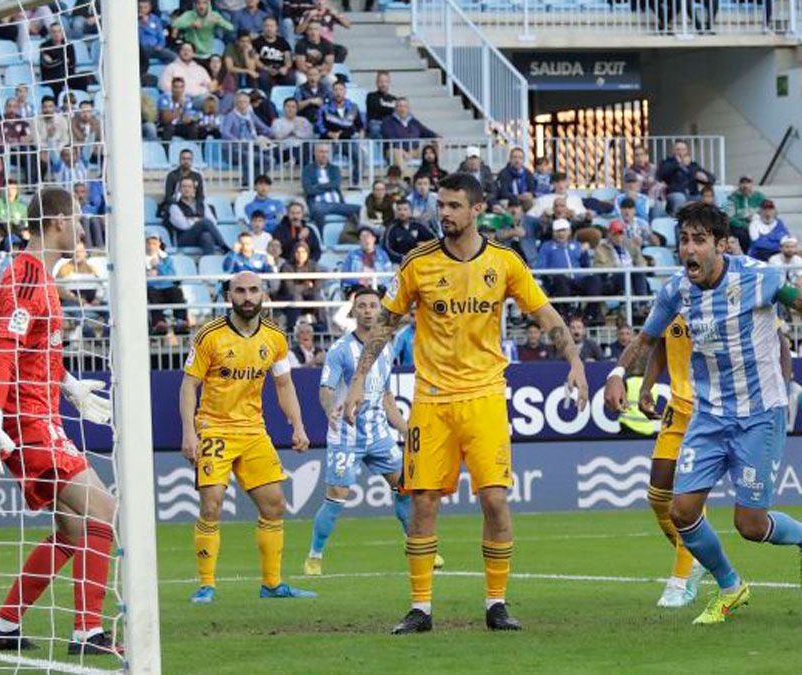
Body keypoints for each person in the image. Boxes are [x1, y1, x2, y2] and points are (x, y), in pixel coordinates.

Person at [343, 173, 587, 634]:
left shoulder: (504, 263)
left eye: (454, 205)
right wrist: (359, 380)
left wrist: (574, 358)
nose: (445, 213)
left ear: (477, 210)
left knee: (495, 500)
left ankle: (496, 603)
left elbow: (544, 312)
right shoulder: (418, 263)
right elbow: (386, 324)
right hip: (432, 400)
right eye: (442, 205)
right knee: (423, 502)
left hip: (485, 397)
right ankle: (420, 608)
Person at [605, 201, 802, 625]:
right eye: (683, 240)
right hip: (709, 416)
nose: (689, 249)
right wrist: (618, 372)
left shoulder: (759, 277)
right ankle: (731, 587)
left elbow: (796, 301)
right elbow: (646, 338)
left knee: (751, 524)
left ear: (721, 244)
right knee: (681, 510)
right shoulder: (676, 290)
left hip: (760, 415)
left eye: (699, 240)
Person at [0, 187, 119, 655]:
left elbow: (37, 352)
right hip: (30, 420)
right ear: (58, 221)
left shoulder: (38, 275)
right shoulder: (26, 276)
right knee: (104, 512)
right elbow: (5, 348)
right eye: (76, 219)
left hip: (39, 413)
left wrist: (70, 384)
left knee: (72, 529)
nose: (81, 229)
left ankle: (4, 627)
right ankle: (87, 632)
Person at [180, 271, 316, 604]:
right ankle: (207, 584)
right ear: (229, 296)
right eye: (240, 290)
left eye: (254, 290)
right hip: (214, 428)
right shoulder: (209, 336)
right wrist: (189, 432)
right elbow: (188, 385)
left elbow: (284, 384)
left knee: (275, 505)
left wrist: (297, 425)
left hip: (253, 431)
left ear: (263, 295)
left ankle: (272, 584)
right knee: (211, 506)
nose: (247, 296)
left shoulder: (275, 338)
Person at [305, 286, 436, 575]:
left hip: (379, 435)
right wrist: (330, 411)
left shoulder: (387, 348)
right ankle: (315, 555)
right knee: (336, 497)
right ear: (353, 312)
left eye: (372, 306)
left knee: (405, 487)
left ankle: (414, 542)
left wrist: (405, 428)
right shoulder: (340, 350)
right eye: (361, 306)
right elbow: (326, 389)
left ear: (380, 310)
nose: (367, 310)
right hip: (345, 436)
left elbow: (386, 396)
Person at [633, 312, 708, 608]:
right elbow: (660, 346)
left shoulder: (720, 295)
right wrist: (645, 387)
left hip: (711, 412)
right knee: (658, 495)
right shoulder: (671, 297)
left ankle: (681, 578)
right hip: (677, 410)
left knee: (687, 499)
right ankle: (695, 555)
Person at [535, 219, 603, 324]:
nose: (561, 233)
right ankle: (566, 313)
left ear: (569, 231)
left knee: (594, 280)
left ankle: (590, 314)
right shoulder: (547, 247)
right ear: (553, 233)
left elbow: (586, 265)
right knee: (560, 279)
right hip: (559, 281)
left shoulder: (577, 245)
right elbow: (540, 267)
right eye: (558, 231)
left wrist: (584, 254)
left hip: (578, 279)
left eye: (563, 230)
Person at [302, 143, 359, 229]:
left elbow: (336, 184)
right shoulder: (307, 170)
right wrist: (329, 187)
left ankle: (357, 237)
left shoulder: (334, 169)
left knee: (361, 210)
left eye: (326, 152)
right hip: (318, 204)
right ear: (315, 153)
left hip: (337, 204)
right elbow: (309, 190)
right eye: (321, 152)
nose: (324, 155)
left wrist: (317, 186)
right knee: (318, 211)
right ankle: (321, 240)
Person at [168, 177, 228, 255]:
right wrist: (200, 222)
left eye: (189, 187)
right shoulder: (174, 207)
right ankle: (224, 246)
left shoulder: (202, 204)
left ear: (194, 190)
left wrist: (193, 220)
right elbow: (183, 225)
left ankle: (208, 262)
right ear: (180, 190)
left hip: (200, 237)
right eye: (184, 186)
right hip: (184, 238)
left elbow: (213, 222)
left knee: (206, 236)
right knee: (204, 222)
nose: (187, 189)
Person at [593, 220, 650, 297]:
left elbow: (641, 261)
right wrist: (615, 266)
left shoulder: (630, 245)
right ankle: (631, 304)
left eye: (620, 234)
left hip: (630, 276)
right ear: (609, 234)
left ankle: (643, 304)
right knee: (622, 274)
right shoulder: (601, 248)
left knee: (639, 272)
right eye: (615, 234)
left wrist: (638, 259)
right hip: (610, 281)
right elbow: (597, 268)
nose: (618, 237)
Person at [146, 233, 189, 335]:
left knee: (176, 292)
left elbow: (171, 274)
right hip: (151, 287)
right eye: (149, 243)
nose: (152, 246)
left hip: (167, 286)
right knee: (151, 293)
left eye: (154, 243)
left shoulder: (166, 258)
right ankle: (158, 323)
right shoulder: (139, 259)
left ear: (159, 244)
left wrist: (159, 267)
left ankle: (181, 321)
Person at [278, 241, 325, 330]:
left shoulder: (314, 266)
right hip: (288, 297)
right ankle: (292, 328)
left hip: (309, 295)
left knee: (318, 297)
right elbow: (290, 289)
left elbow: (317, 286)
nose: (300, 255)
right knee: (296, 297)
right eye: (298, 252)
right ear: (294, 253)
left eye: (303, 252)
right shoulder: (286, 266)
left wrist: (300, 287)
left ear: (307, 253)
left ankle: (322, 327)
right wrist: (306, 285)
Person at [656, 141, 714, 215]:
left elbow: (712, 178)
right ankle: (679, 222)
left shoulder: (693, 165)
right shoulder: (667, 162)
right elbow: (661, 174)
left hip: (693, 194)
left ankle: (711, 222)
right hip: (674, 194)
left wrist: (706, 178)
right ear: (673, 151)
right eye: (678, 149)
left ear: (687, 151)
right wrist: (678, 164)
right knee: (680, 198)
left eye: (683, 149)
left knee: (708, 196)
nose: (681, 152)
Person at [339, 227, 391, 291]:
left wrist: (378, 281)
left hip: (378, 286)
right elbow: (344, 275)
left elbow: (389, 274)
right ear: (359, 241)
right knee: (354, 294)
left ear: (374, 239)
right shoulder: (352, 255)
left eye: (368, 236)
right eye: (363, 237)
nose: (366, 239)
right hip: (357, 287)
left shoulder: (383, 255)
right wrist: (359, 281)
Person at [364, 71, 398, 139]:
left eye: (386, 81)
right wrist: (390, 109)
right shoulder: (371, 96)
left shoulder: (394, 99)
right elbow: (376, 109)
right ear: (376, 83)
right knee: (376, 129)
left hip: (390, 124)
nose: (383, 84)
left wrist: (384, 107)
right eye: (381, 81)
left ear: (389, 83)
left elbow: (397, 113)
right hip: (376, 123)